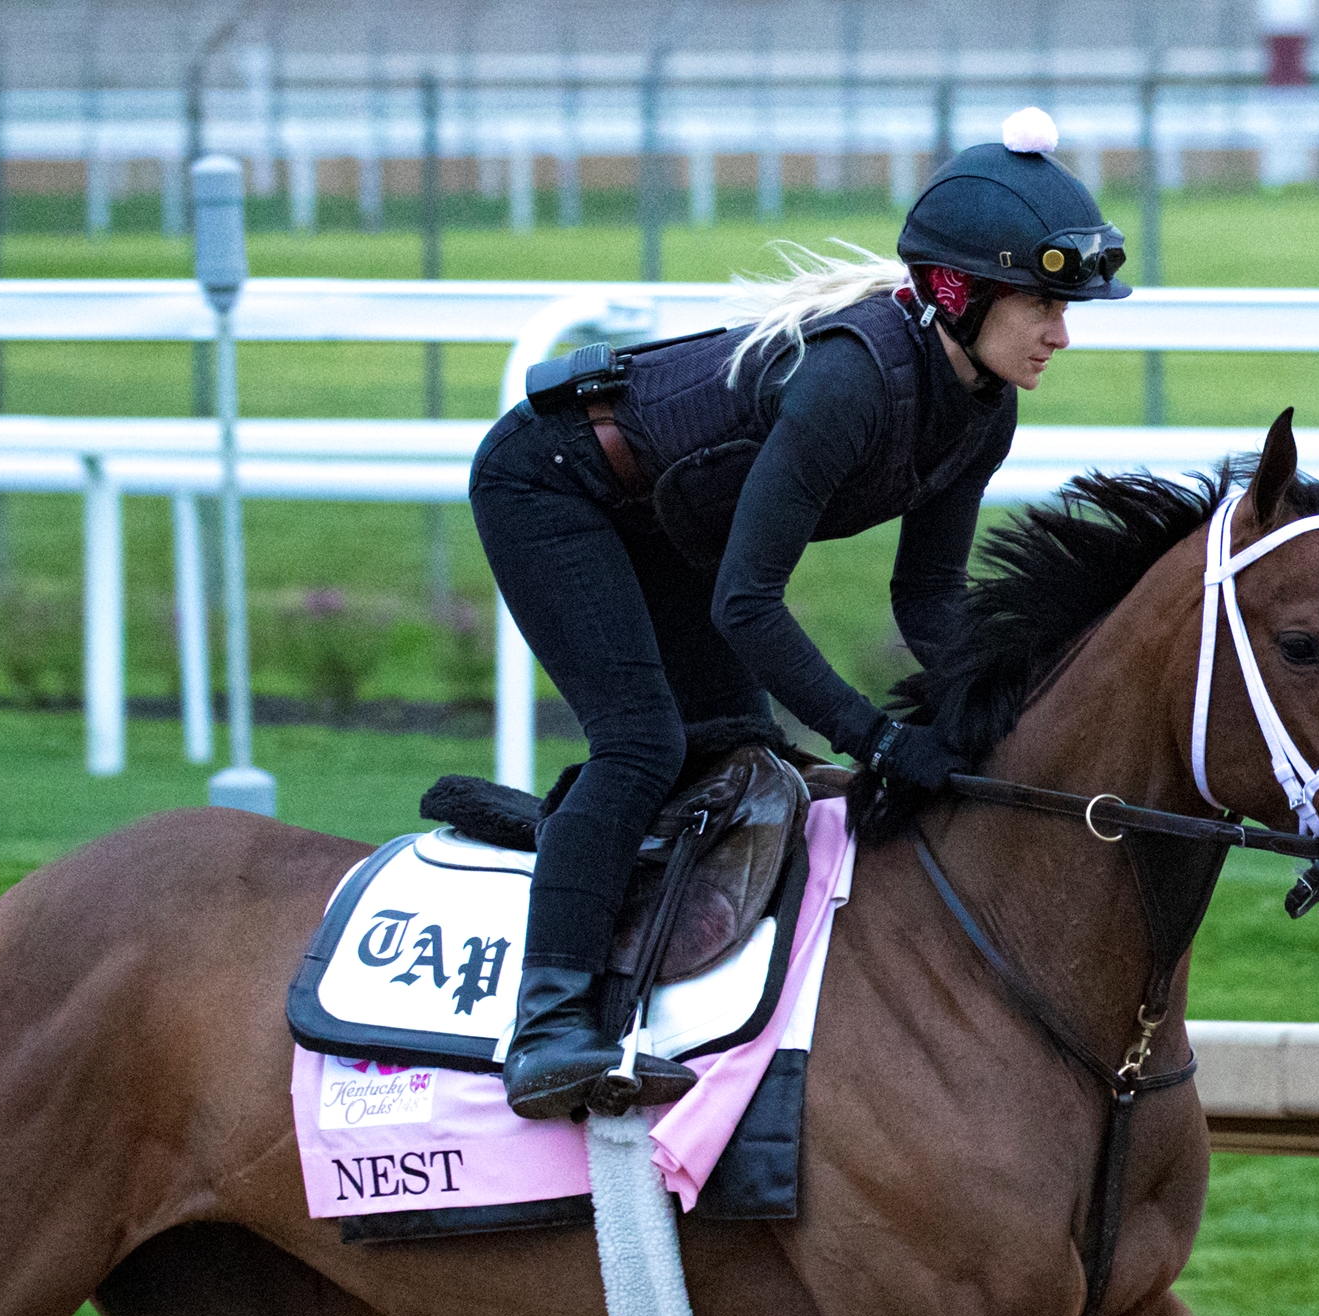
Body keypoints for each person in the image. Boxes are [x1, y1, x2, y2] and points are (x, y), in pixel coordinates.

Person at [466, 106, 1132, 1120]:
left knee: (745, 753)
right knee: (641, 744)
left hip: (662, 521)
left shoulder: (982, 408)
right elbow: (746, 602)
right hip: (554, 485)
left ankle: (651, 969)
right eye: (1042, 304)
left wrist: (1004, 709)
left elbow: (929, 598)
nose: (1061, 332)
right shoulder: (848, 383)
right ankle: (550, 1025)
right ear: (959, 292)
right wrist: (873, 735)